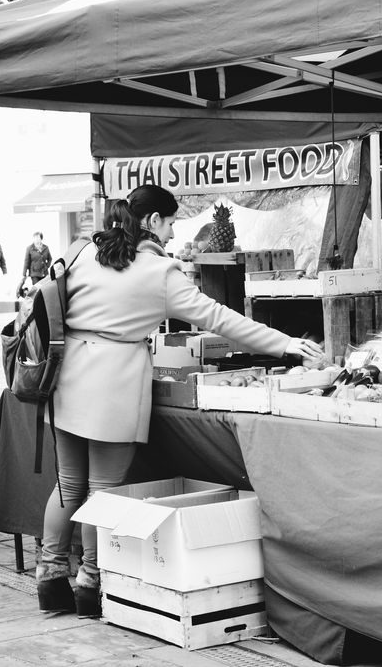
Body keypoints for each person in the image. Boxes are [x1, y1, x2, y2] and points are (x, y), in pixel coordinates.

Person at [36, 184, 324, 618]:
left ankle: (49, 575)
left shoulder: (83, 252)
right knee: (102, 492)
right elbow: (221, 319)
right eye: (170, 222)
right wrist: (285, 343)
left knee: (69, 486)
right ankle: (89, 583)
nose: (172, 233)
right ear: (152, 221)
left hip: (63, 379)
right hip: (111, 387)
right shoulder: (161, 273)